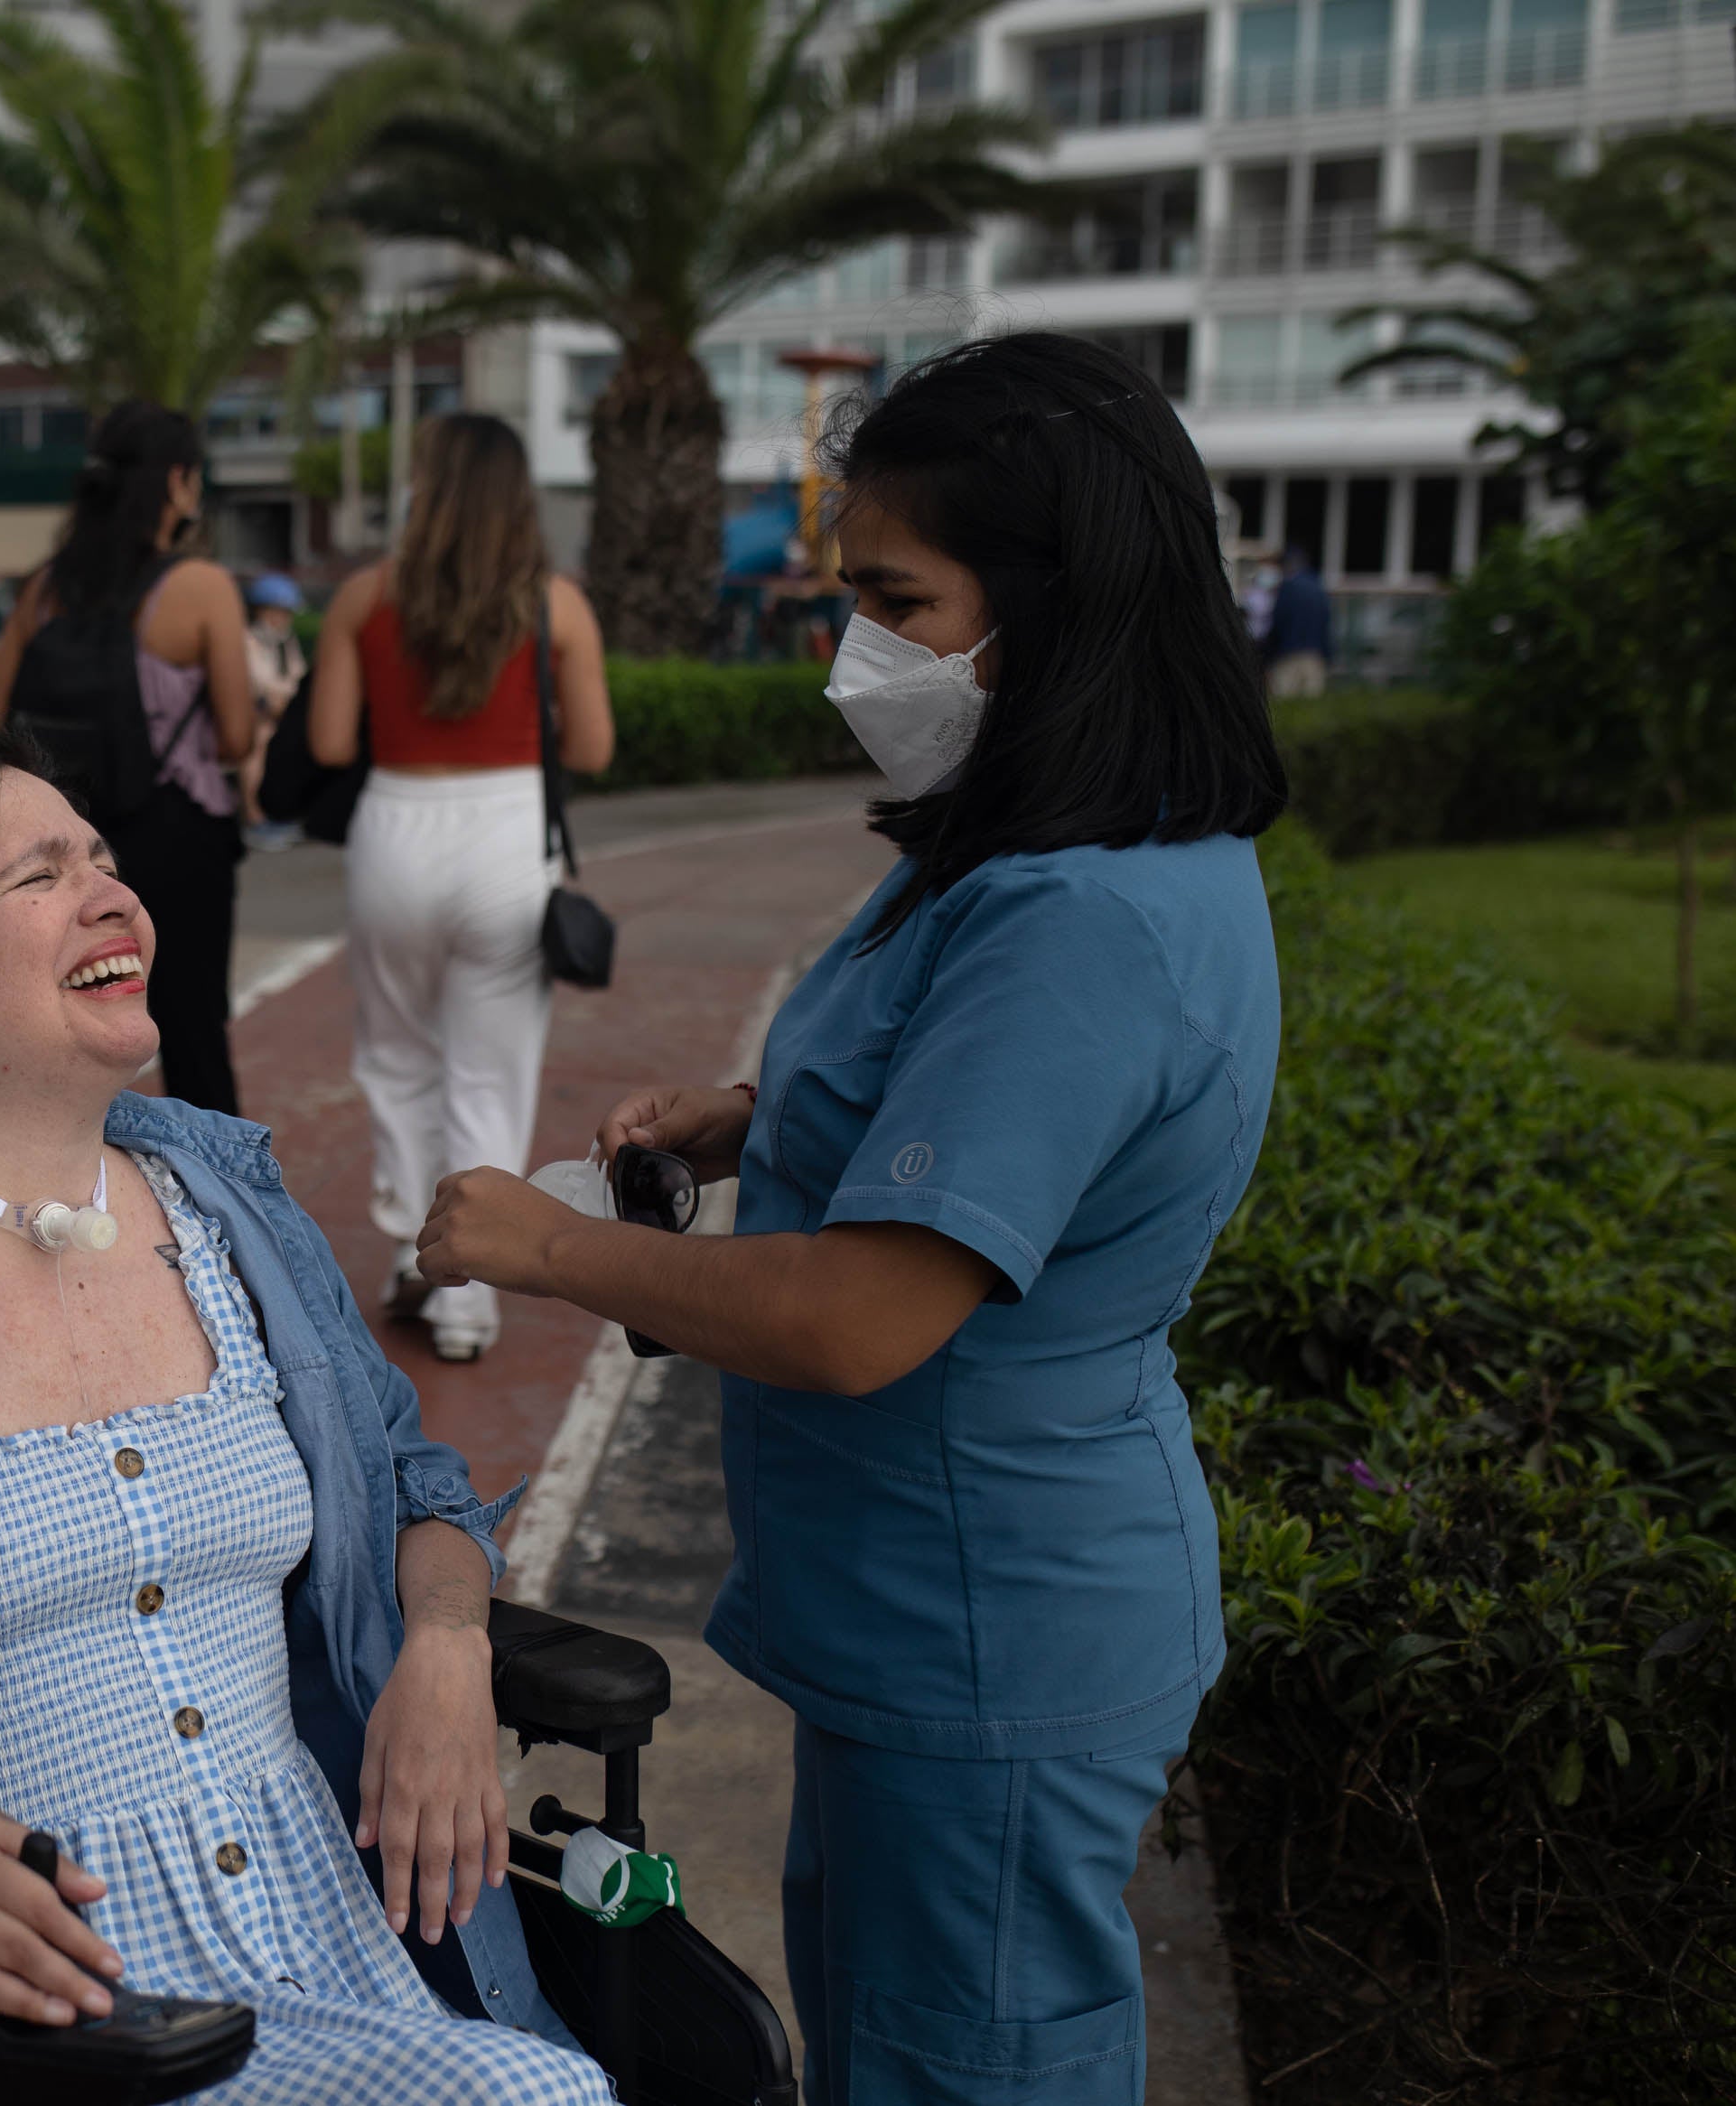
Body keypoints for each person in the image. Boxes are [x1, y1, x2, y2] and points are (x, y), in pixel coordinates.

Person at [414, 334, 1287, 2106]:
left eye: (898, 599)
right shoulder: (1034, 842)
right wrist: (757, 1124)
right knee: (890, 2038)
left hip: (986, 1613)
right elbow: (966, 1100)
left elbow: (858, 1317)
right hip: (923, 1613)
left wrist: (538, 1244)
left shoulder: (1077, 912)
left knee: (954, 2063)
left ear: (1060, 600)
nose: (858, 651)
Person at [0, 731, 611, 2102]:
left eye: (105, 859)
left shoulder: (230, 1202)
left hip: (337, 1925)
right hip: (29, 1979)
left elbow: (418, 1492)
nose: (113, 897)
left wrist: (446, 1648)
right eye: (39, 874)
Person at [305, 415, 614, 1364]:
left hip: (394, 831)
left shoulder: (363, 597)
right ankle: (467, 1303)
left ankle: (410, 1249)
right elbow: (595, 749)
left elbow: (324, 745)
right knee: (489, 1070)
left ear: (425, 493)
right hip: (505, 837)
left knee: (396, 1056)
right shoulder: (555, 605)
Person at [0, 403, 257, 1114]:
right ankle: (219, 1203)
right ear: (177, 483)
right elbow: (234, 736)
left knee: (61, 1020)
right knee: (192, 1024)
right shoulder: (199, 588)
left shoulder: (43, 590)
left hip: (60, 844)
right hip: (177, 837)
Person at [239, 573, 308, 851]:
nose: (283, 619)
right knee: (259, 744)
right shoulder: (247, 640)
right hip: (254, 715)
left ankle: (288, 811)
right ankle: (256, 818)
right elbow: (258, 683)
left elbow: (297, 676)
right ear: (261, 610)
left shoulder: (285, 642)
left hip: (281, 711)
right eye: (278, 611)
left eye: (286, 613)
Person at [1264, 544, 1330, 698]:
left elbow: (1279, 622)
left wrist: (1267, 653)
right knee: (1311, 708)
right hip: (1315, 656)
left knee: (1285, 707)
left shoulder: (1288, 588)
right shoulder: (1318, 587)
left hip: (1288, 656)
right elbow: (1326, 624)